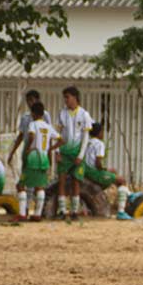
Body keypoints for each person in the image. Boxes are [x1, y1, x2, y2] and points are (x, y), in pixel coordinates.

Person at [54, 86, 95, 222]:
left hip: (77, 152)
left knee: (76, 181)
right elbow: (57, 134)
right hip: (64, 151)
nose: (66, 100)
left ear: (75, 97)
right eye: (64, 97)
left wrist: (80, 155)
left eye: (68, 97)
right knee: (62, 180)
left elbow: (85, 137)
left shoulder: (84, 114)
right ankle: (62, 210)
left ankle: (74, 211)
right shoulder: (62, 114)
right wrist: (57, 151)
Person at [77, 121, 133, 220]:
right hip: (94, 172)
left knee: (113, 171)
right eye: (102, 132)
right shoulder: (99, 144)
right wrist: (103, 169)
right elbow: (98, 163)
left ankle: (128, 194)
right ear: (99, 133)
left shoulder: (87, 142)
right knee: (122, 181)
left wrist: (106, 170)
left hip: (86, 170)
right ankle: (121, 211)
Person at [18, 101, 57, 222]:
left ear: (33, 113)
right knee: (40, 187)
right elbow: (61, 139)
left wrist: (29, 147)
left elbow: (31, 136)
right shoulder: (48, 126)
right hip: (44, 158)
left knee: (21, 185)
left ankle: (22, 214)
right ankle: (37, 214)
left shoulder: (33, 124)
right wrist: (50, 149)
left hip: (33, 157)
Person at [7, 88, 45, 170]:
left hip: (39, 150)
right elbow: (21, 136)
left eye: (31, 100)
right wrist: (12, 152)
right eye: (27, 101)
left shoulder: (45, 115)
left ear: (37, 100)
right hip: (27, 149)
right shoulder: (25, 117)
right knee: (25, 175)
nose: (29, 103)